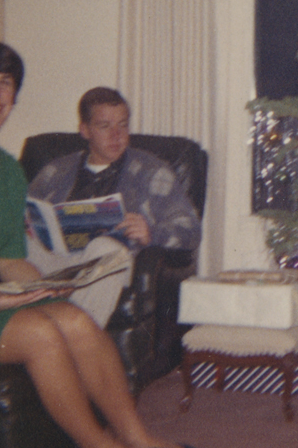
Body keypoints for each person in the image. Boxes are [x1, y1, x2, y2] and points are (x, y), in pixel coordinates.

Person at [0, 39, 208, 448]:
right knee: (43, 332)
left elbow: (10, 261)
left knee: (76, 320)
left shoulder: (6, 170)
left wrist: (38, 288)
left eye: (5, 83)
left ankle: (135, 434)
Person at [25, 86, 202, 329]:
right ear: (85, 130)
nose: (117, 135)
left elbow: (191, 230)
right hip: (57, 264)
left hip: (106, 264)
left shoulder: (152, 171)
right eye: (105, 126)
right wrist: (26, 225)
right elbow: (22, 214)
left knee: (106, 249)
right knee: (17, 244)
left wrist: (152, 233)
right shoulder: (56, 171)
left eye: (123, 125)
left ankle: (68, 336)